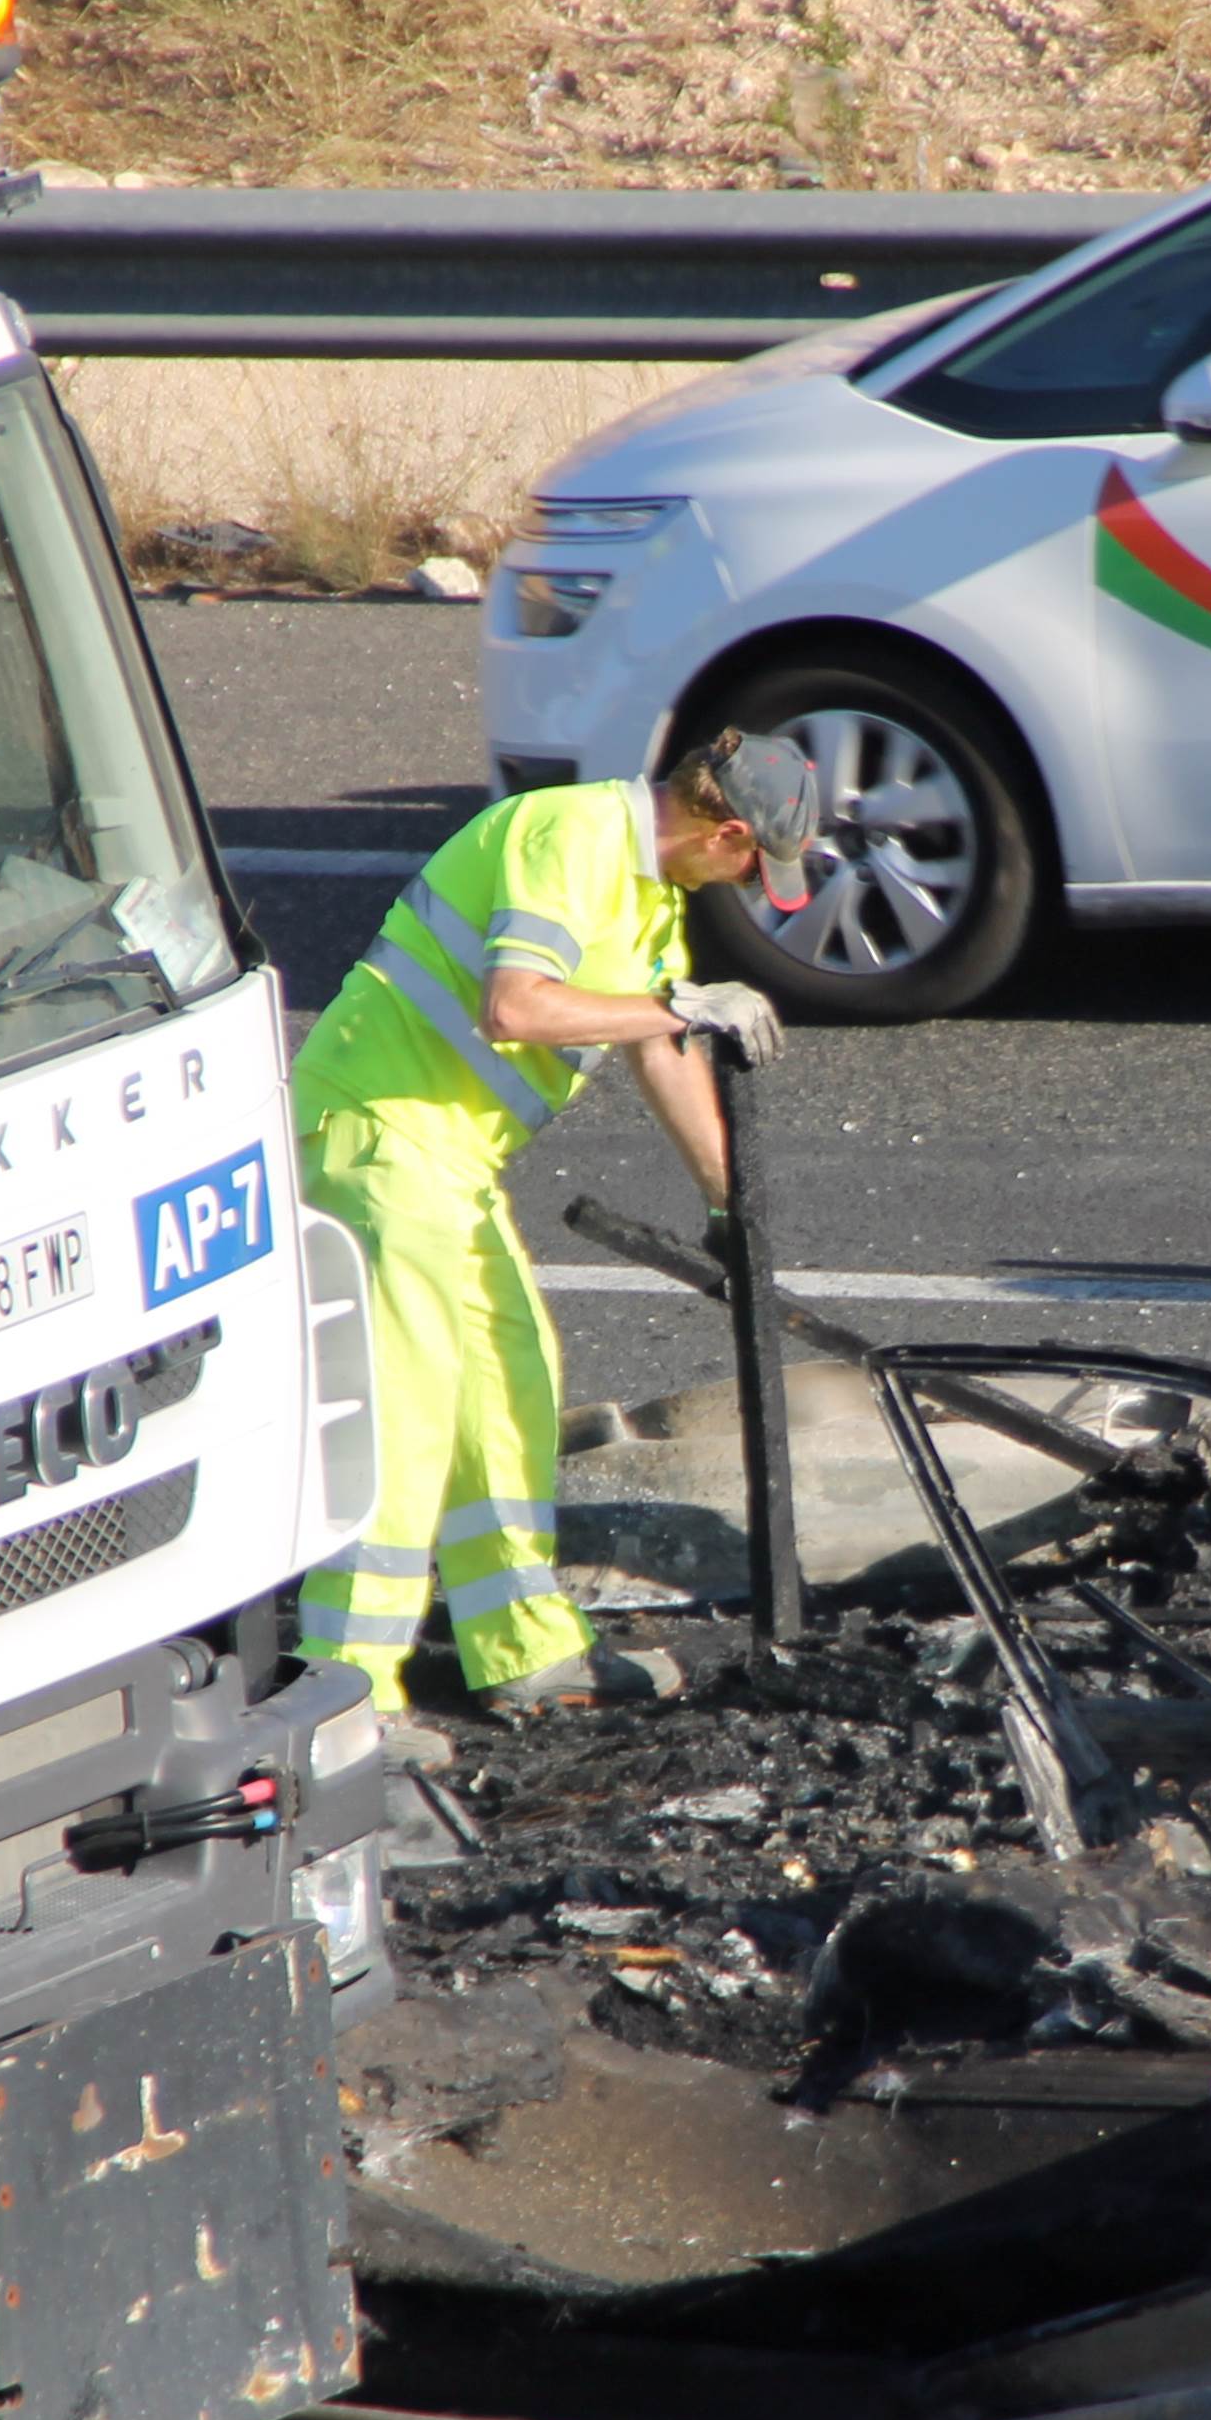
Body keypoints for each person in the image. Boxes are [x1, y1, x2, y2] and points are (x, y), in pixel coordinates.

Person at [288, 731, 820, 1747]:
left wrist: (731, 1208)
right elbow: (515, 1006)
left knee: (507, 1387)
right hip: (375, 1132)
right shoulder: (570, 836)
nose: (750, 886)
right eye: (755, 864)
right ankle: (345, 1702)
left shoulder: (652, 892)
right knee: (408, 1415)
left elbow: (660, 1051)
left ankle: (526, 1649)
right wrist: (672, 1001)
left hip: (446, 1162)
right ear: (731, 830)